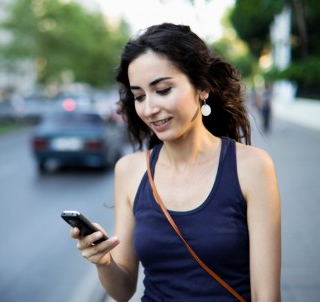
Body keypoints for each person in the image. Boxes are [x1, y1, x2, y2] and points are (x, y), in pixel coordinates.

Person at [69, 23, 281, 301]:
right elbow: (123, 291)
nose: (149, 108)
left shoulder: (252, 167)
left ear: (202, 87)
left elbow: (267, 296)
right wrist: (103, 261)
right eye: (139, 96)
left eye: (163, 90)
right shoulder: (130, 170)